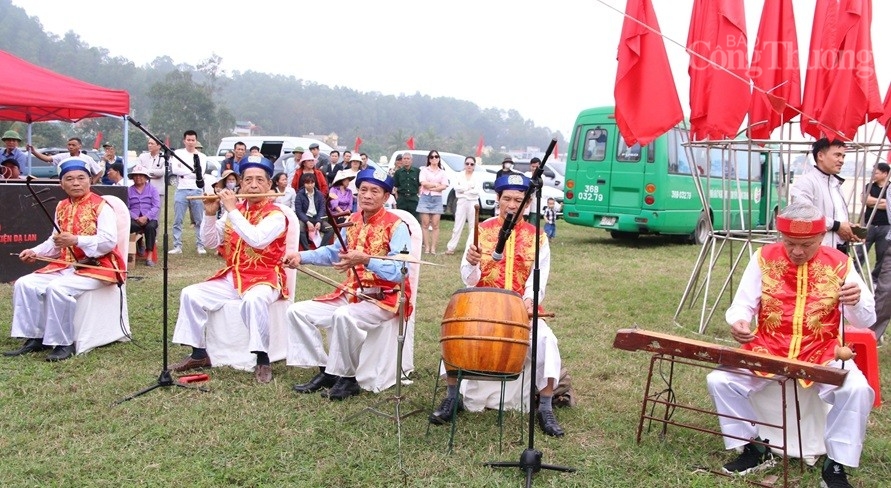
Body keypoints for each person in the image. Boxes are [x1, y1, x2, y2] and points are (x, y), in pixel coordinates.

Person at [705, 202, 875, 487]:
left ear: (821, 237)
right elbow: (741, 306)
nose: (796, 251)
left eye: (806, 244)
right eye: (789, 243)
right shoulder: (763, 258)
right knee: (719, 380)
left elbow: (867, 318)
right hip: (768, 348)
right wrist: (739, 323)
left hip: (820, 351)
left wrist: (856, 300)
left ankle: (836, 464)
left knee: (856, 389)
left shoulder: (840, 264)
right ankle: (754, 448)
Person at [429, 173, 565, 437]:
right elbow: (469, 280)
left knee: (547, 340)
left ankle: (546, 407)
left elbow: (539, 278)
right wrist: (470, 261)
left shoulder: (538, 238)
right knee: (456, 334)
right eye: (506, 199)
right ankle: (452, 397)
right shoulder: (481, 231)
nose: (512, 205)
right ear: (497, 200)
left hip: (520, 311)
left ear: (526, 205)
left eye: (518, 200)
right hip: (482, 309)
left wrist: (528, 302)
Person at [283, 168, 412, 400]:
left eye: (375, 191)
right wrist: (301, 256)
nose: (368, 195)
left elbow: (401, 271)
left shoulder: (397, 226)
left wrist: (366, 260)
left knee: (344, 315)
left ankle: (349, 379)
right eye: (363, 190)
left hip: (384, 298)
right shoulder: (352, 220)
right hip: (352, 293)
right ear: (357, 194)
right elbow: (335, 253)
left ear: (386, 197)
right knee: (297, 312)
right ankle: (327, 371)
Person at [170, 156, 289, 383]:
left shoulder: (277, 215)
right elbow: (210, 242)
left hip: (266, 277)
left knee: (254, 301)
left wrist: (232, 209)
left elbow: (257, 240)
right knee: (191, 294)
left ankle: (262, 358)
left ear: (269, 185)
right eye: (248, 180)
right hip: (234, 276)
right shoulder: (235, 211)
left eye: (259, 180)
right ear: (240, 184)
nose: (253, 185)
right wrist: (209, 213)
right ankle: (198, 353)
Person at [3, 158, 126, 362]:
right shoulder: (61, 206)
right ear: (61, 184)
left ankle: (63, 343)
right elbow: (55, 242)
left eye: (81, 178)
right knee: (25, 284)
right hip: (66, 265)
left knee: (58, 288)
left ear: (90, 181)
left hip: (99, 266)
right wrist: (34, 251)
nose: (75, 183)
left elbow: (108, 241)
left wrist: (77, 240)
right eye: (69, 179)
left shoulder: (101, 206)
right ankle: (35, 337)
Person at [789, 138, 863, 253]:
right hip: (818, 252)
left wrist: (848, 228)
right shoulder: (806, 182)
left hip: (840, 250)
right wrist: (837, 226)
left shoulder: (835, 184)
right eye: (837, 155)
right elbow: (804, 215)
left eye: (843, 156)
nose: (841, 160)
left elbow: (836, 217)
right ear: (820, 156)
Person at [169, 130, 207, 255]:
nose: (190, 142)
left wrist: (184, 170)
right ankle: (177, 246)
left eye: (193, 140)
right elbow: (175, 169)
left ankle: (200, 245)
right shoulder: (178, 153)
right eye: (188, 140)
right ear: (184, 140)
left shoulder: (202, 157)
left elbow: (200, 174)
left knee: (198, 219)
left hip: (196, 189)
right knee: (178, 219)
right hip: (181, 188)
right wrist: (190, 171)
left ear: (196, 141)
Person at [859, 162, 890, 282]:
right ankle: (855, 276)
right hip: (868, 225)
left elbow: (889, 205)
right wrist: (883, 202)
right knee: (860, 251)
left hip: (885, 226)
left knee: (882, 255)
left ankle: (875, 280)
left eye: (875, 173)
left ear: (885, 173)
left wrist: (873, 202)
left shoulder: (890, 188)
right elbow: (864, 199)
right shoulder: (869, 186)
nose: (873, 175)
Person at [445, 156, 480, 255]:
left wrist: (464, 189)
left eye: (471, 164)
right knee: (457, 225)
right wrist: (468, 187)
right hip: (461, 201)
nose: (469, 166)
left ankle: (472, 247)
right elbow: (457, 188)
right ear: (464, 165)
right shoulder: (459, 175)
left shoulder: (477, 176)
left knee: (473, 226)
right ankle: (451, 247)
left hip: (473, 202)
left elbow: (476, 191)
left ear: (474, 166)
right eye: (467, 163)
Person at [127, 164, 160, 267]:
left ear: (146, 177)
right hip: (134, 217)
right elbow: (126, 207)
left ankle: (149, 257)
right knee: (131, 226)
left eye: (141, 175)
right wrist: (136, 217)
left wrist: (146, 217)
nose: (138, 177)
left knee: (150, 228)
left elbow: (156, 206)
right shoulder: (128, 190)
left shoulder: (153, 189)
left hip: (149, 217)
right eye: (135, 175)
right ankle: (139, 243)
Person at [417, 150, 448, 254]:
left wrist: (434, 187)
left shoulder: (442, 172)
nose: (434, 159)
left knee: (435, 225)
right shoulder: (424, 170)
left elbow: (444, 185)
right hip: (425, 198)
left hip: (437, 199)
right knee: (425, 224)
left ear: (439, 158)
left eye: (436, 157)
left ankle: (433, 247)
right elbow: (423, 183)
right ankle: (426, 247)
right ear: (429, 159)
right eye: (432, 157)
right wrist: (435, 185)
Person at [29, 137, 102, 179]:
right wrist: (34, 152)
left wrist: (93, 182)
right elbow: (47, 158)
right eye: (69, 145)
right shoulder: (63, 156)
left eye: (73, 145)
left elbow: (99, 172)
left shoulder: (87, 158)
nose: (70, 147)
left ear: (80, 146)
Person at [294, 173, 333, 250]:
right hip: (305, 218)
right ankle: (307, 250)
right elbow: (299, 211)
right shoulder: (299, 194)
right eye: (307, 183)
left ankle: (321, 249)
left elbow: (322, 208)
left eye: (312, 182)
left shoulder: (319, 194)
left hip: (316, 217)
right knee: (300, 228)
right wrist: (307, 222)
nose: (310, 185)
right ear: (304, 183)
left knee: (330, 228)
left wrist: (319, 221)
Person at [393, 151, 420, 221]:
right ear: (402, 160)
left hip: (413, 198)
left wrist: (419, 196)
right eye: (404, 158)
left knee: (414, 220)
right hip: (402, 198)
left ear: (411, 160)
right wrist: (397, 198)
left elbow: (420, 185)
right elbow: (395, 186)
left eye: (408, 159)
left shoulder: (417, 171)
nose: (406, 160)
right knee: (401, 219)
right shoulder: (398, 172)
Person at [523, 157, 542, 226]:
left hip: (535, 203)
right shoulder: (526, 174)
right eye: (532, 166)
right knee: (523, 222)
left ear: (539, 166)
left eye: (536, 167)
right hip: (526, 202)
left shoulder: (541, 177)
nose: (534, 168)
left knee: (533, 224)